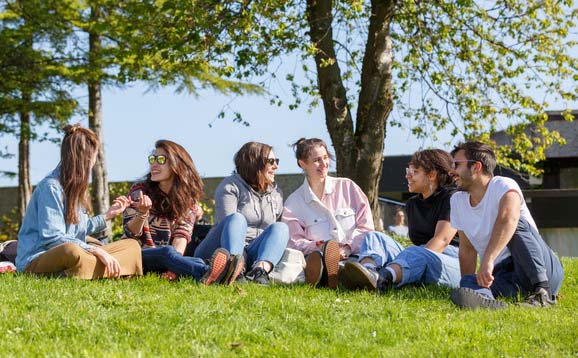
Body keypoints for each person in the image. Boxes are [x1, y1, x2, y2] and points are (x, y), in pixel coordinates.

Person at [16, 124, 142, 279]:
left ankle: (88, 270)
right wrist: (96, 250)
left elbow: (77, 230)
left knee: (131, 246)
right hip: (37, 260)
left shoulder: (75, 187)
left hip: (76, 252)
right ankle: (106, 269)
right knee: (72, 251)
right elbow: (53, 238)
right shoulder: (51, 188)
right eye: (95, 155)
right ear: (85, 157)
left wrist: (108, 215)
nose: (95, 161)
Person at [449, 141, 564, 309]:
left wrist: (488, 260)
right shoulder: (457, 200)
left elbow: (508, 219)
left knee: (517, 223)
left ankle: (543, 293)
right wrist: (467, 289)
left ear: (476, 167)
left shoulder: (503, 185)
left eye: (456, 165)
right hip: (505, 275)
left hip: (539, 268)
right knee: (467, 282)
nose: (451, 171)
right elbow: (467, 250)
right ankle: (490, 302)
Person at [123, 140, 243, 285]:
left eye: (161, 159)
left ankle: (215, 275)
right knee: (166, 252)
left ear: (176, 164)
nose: (154, 164)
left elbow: (181, 237)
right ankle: (210, 274)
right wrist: (141, 214)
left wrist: (174, 267)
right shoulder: (139, 191)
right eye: (152, 159)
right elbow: (130, 233)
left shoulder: (188, 200)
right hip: (135, 255)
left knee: (193, 260)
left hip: (163, 260)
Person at [339, 149, 461, 291]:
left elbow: (442, 241)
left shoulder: (452, 198)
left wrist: (405, 258)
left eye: (414, 171)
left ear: (432, 175)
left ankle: (383, 277)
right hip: (418, 257)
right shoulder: (413, 204)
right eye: (408, 170)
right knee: (374, 236)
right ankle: (367, 273)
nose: (408, 175)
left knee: (417, 252)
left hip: (451, 263)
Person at [282, 138, 378, 289]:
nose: (323, 164)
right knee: (315, 260)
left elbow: (366, 227)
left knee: (362, 262)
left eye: (325, 158)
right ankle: (327, 273)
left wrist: (347, 247)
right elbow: (294, 242)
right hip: (318, 256)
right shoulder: (293, 203)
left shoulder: (348, 187)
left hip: (354, 256)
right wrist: (321, 247)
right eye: (316, 160)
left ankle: (337, 276)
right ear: (302, 164)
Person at [194, 142, 290, 286]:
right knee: (237, 219)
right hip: (219, 250)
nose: (275, 166)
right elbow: (226, 226)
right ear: (254, 162)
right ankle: (234, 268)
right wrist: (239, 258)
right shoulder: (230, 187)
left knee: (281, 228)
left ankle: (260, 272)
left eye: (276, 161)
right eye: (271, 161)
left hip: (252, 253)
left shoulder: (276, 194)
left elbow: (272, 236)